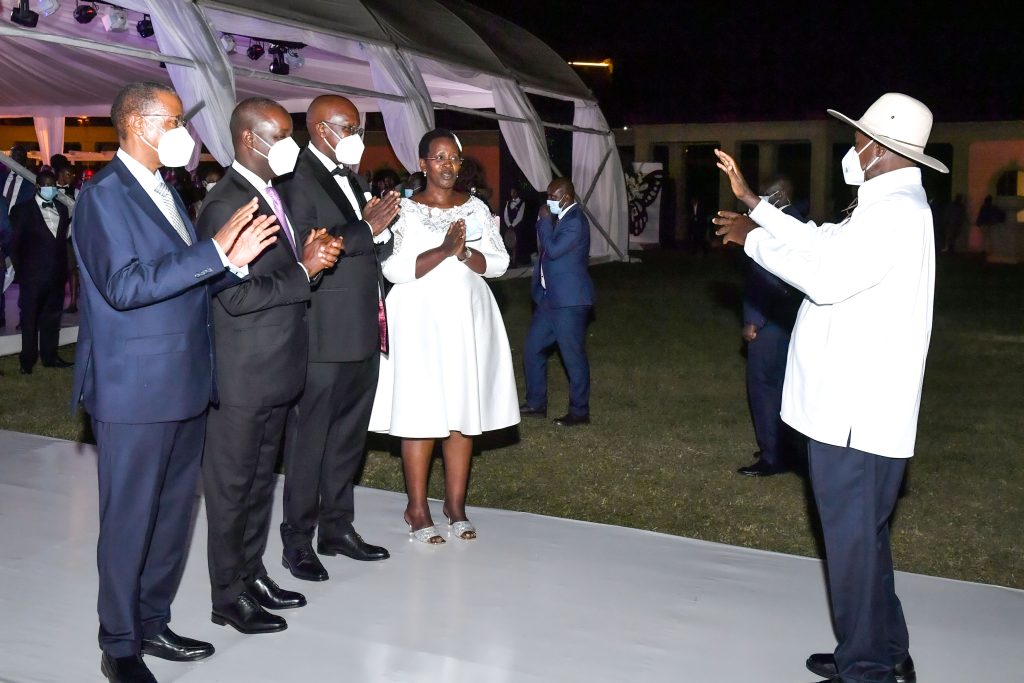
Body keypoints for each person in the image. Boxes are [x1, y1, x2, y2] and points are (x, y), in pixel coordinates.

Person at [713, 92, 946, 683]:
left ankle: (865, 668)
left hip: (854, 413)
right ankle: (883, 647)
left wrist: (753, 240)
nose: (853, 147)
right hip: (858, 409)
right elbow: (824, 242)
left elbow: (825, 274)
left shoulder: (894, 213)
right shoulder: (889, 205)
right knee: (863, 540)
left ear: (877, 148)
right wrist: (755, 208)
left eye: (858, 138)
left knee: (850, 544)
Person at [72, 81, 279, 683]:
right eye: (173, 121)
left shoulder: (165, 188)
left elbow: (182, 281)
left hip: (185, 378)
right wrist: (213, 251)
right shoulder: (104, 196)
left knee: (170, 516)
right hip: (134, 388)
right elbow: (126, 286)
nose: (184, 133)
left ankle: (152, 621)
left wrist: (228, 262)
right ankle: (119, 644)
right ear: (138, 124)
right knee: (131, 518)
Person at [198, 98, 343, 635]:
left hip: (275, 367)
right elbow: (232, 296)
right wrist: (302, 271)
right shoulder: (225, 204)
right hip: (244, 375)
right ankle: (225, 597)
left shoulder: (269, 193)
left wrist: (305, 256)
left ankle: (251, 574)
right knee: (233, 491)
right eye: (279, 135)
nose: (290, 144)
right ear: (247, 141)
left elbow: (272, 273)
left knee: (261, 484)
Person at [369, 128, 519, 544]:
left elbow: (500, 264)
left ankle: (455, 506)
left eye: (454, 158)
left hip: (468, 317)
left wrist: (466, 252)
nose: (448, 165)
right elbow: (394, 270)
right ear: (422, 164)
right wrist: (443, 249)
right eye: (439, 158)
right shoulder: (403, 210)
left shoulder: (475, 208)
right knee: (421, 412)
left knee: (461, 411)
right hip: (418, 318)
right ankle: (417, 508)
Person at [275, 94, 400, 581]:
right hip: (324, 334)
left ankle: (337, 527)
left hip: (361, 330)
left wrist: (380, 231)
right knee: (310, 441)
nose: (357, 135)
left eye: (360, 126)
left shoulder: (351, 175)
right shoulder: (297, 178)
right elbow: (313, 241)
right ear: (321, 129)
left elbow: (362, 241)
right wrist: (366, 227)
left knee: (348, 438)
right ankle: (297, 541)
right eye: (349, 126)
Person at [736, 176, 805, 477]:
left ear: (778, 196)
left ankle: (772, 455)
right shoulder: (799, 222)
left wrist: (754, 320)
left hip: (772, 322)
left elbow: (767, 278)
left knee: (763, 387)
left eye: (765, 196)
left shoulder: (778, 226)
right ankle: (784, 448)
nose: (760, 201)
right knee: (784, 387)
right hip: (791, 321)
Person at [520, 178, 595, 427]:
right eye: (548, 196)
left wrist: (543, 221)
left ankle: (579, 412)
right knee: (532, 348)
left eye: (552, 196)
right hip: (550, 299)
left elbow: (552, 249)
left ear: (565, 197)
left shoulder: (575, 222)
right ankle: (536, 403)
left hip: (570, 302)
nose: (548, 200)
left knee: (572, 356)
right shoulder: (562, 219)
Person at [9, 170, 71, 374]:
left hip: (56, 275)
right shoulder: (22, 210)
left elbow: (61, 243)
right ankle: (27, 361)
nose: (51, 189)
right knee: (29, 319)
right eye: (46, 185)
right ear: (37, 186)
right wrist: (24, 272)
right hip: (32, 276)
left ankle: (50, 356)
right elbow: (15, 245)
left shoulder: (62, 209)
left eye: (53, 186)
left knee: (52, 318)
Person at [502, 186, 524, 263]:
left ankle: (515, 261)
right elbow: (505, 214)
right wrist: (508, 224)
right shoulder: (508, 202)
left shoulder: (522, 203)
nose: (512, 194)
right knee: (508, 242)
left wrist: (513, 225)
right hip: (508, 226)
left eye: (514, 192)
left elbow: (520, 216)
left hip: (516, 226)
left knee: (515, 244)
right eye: (511, 192)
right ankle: (508, 260)